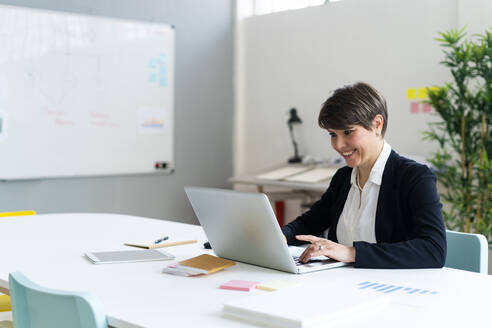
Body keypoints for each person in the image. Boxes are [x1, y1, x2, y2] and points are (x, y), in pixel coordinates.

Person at [281, 82, 446, 269]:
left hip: (389, 289)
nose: (339, 145)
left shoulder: (415, 178)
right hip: (341, 284)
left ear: (377, 124)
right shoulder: (343, 177)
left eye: (348, 132)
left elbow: (433, 250)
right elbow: (310, 222)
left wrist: (351, 252)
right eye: (332, 135)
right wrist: (279, 237)